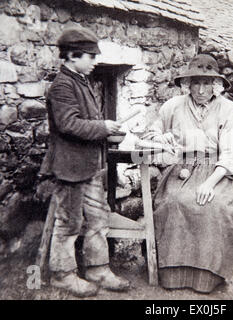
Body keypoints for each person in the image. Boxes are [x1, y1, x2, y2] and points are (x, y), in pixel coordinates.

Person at [144, 54, 233, 293]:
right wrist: (160, 137)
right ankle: (174, 273)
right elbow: (150, 132)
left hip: (220, 171)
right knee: (172, 203)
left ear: (216, 85)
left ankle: (209, 275)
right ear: (188, 84)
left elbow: (231, 155)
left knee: (215, 206)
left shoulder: (228, 109)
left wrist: (209, 183)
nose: (202, 89)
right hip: (182, 170)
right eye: (197, 83)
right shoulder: (173, 106)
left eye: (207, 83)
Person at [40, 27, 130, 297]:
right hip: (69, 168)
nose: (94, 61)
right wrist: (103, 126)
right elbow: (68, 125)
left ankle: (98, 269)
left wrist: (106, 129)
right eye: (90, 56)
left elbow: (86, 123)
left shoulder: (81, 81)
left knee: (98, 219)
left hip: (89, 166)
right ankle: (63, 275)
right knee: (68, 223)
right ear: (72, 55)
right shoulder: (63, 85)